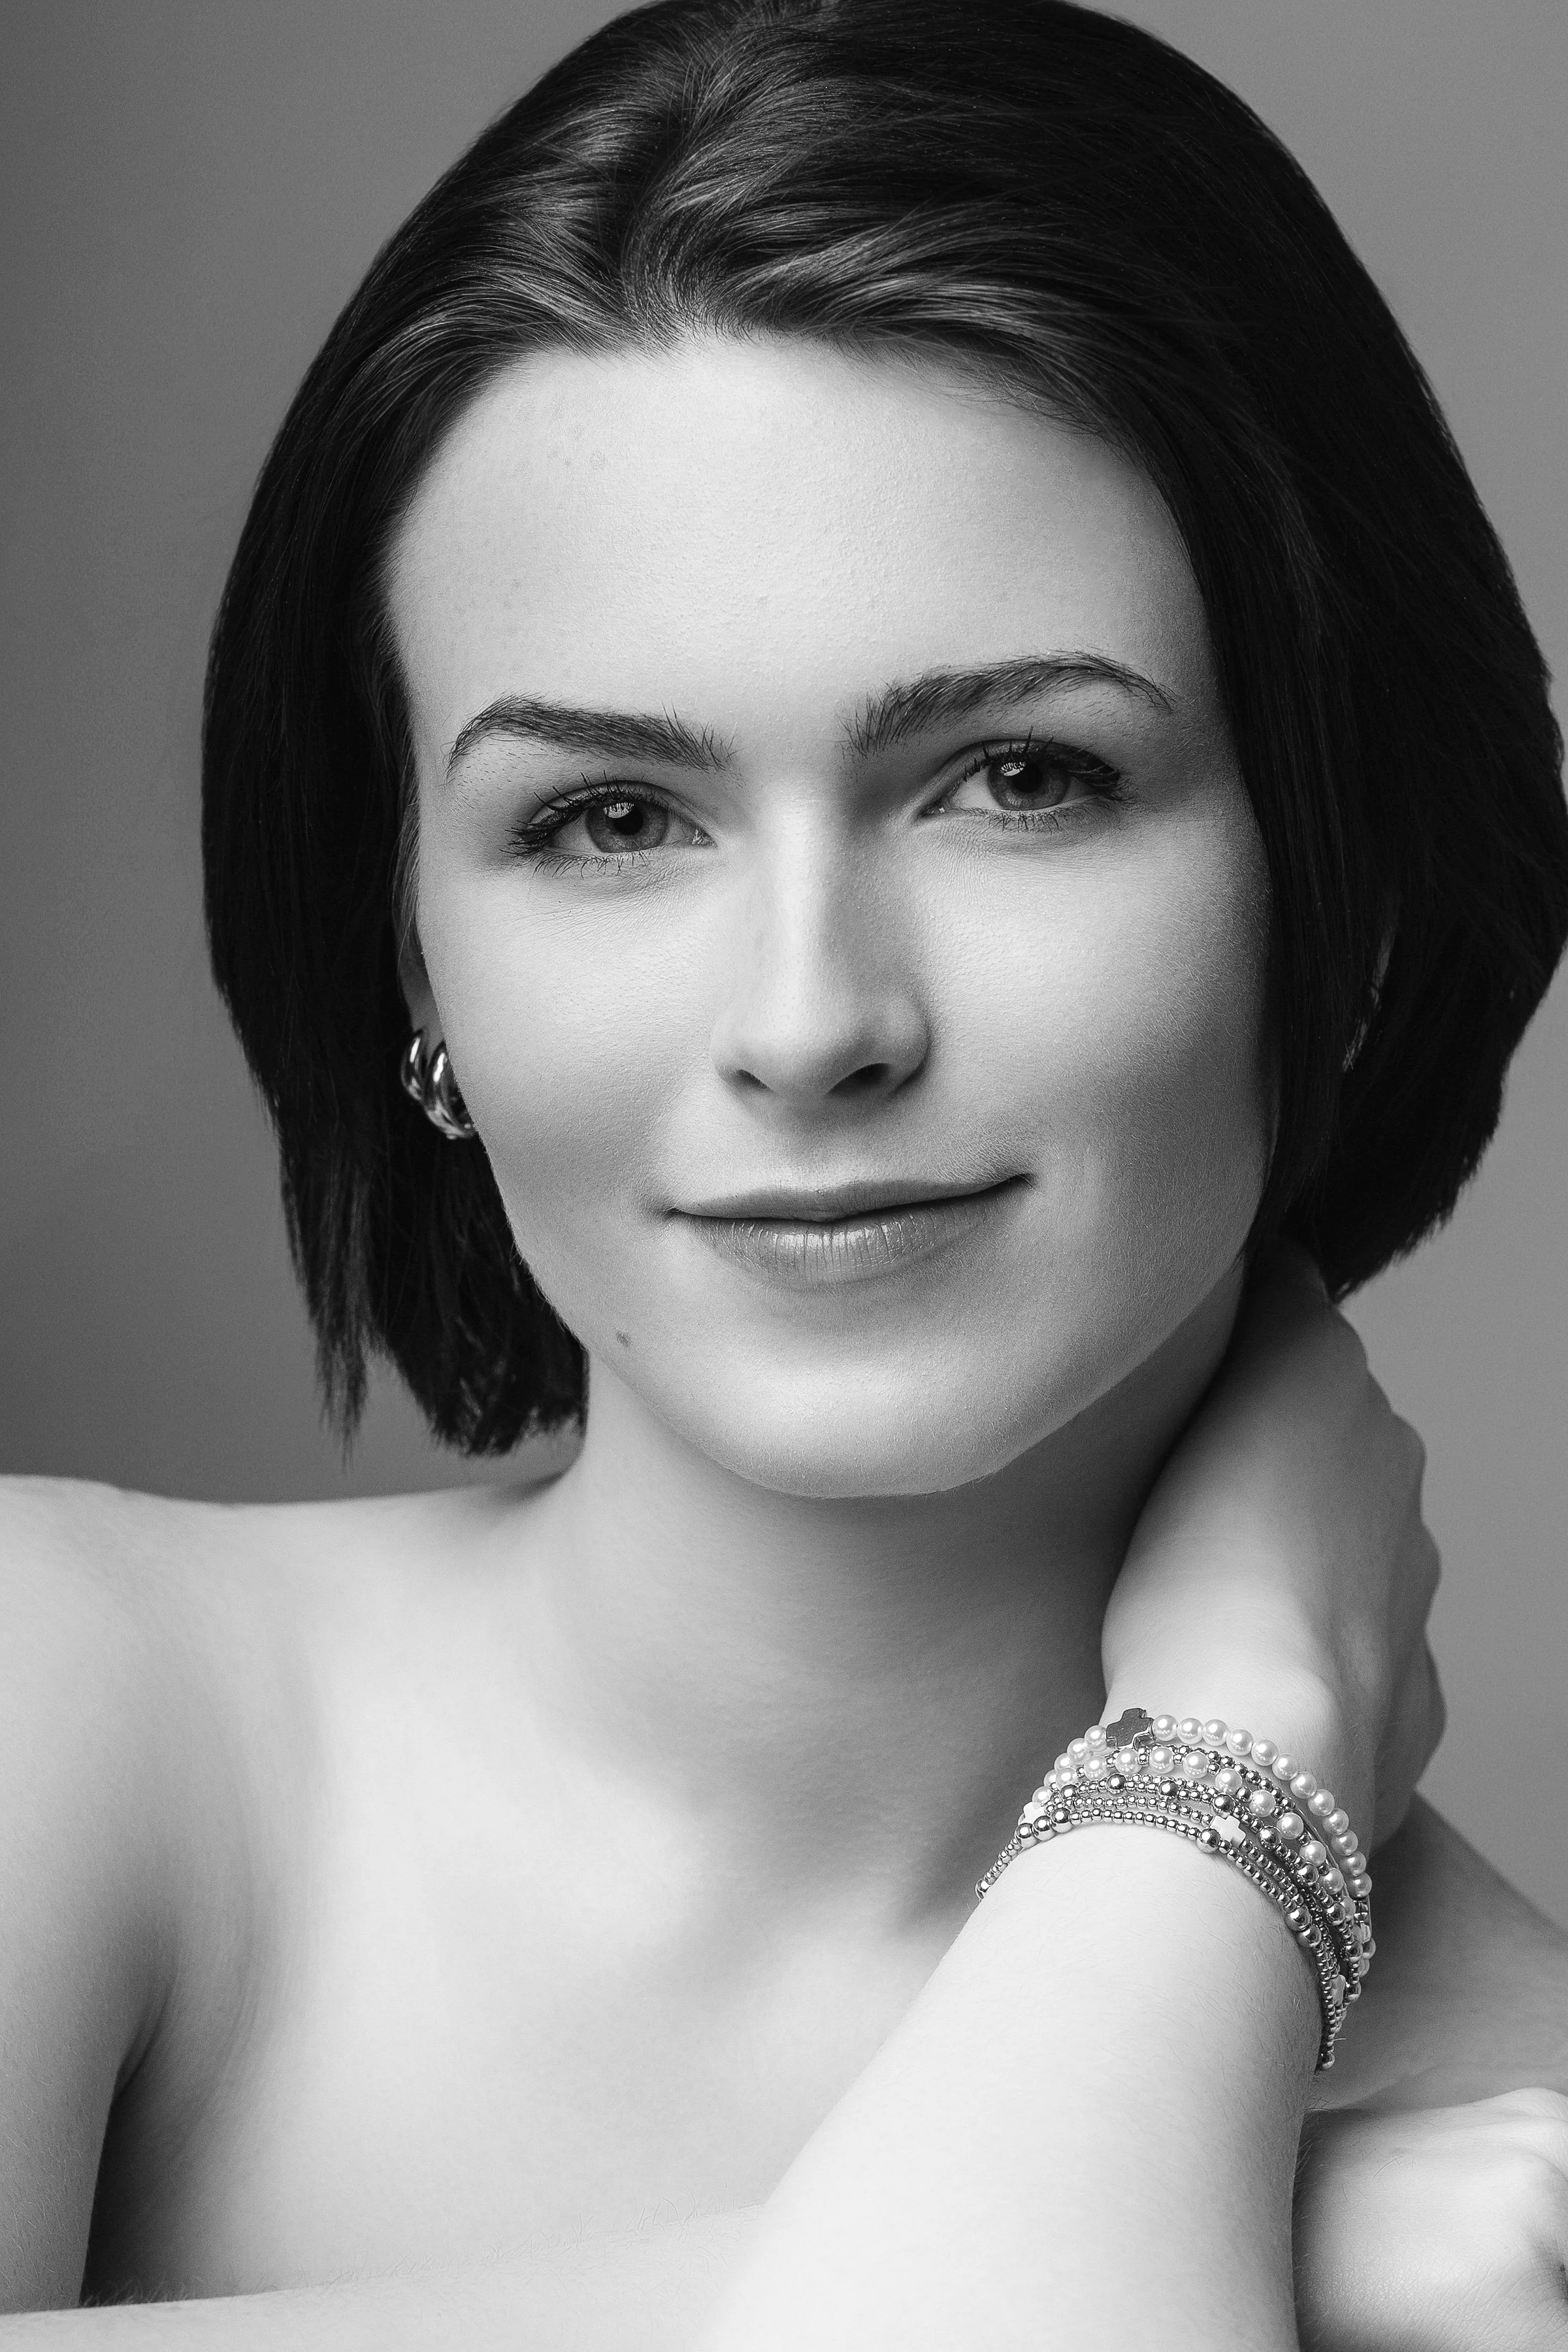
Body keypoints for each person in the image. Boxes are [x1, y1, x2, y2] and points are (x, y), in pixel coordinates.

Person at [3, 0, 1566, 2342]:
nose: (814, 1020)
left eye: (1023, 779)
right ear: (410, 969)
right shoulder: (57, 1699)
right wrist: (1244, 1868)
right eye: (609, 821)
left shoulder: (1536, 2145)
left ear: (1334, 890)